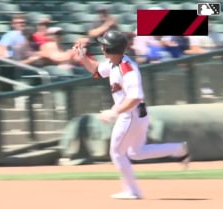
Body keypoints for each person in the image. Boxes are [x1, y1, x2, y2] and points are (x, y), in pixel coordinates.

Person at [72, 30, 190, 199]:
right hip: (137, 114)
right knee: (136, 152)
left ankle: (133, 191)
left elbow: (135, 97)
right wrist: (83, 57)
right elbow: (96, 70)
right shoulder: (114, 63)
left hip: (131, 114)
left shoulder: (127, 68)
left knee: (117, 153)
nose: (101, 47)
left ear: (109, 48)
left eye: (103, 45)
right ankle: (178, 149)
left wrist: (114, 112)